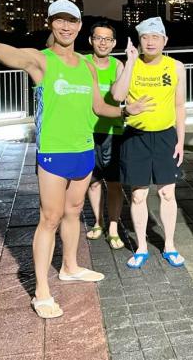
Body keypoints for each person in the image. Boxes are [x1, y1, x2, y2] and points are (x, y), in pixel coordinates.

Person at [0, 0, 151, 318]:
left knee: (74, 212)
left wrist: (127, 111)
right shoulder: (39, 60)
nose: (66, 26)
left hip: (84, 149)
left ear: (79, 26)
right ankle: (41, 290)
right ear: (51, 23)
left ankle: (69, 267)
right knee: (50, 218)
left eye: (72, 21)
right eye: (60, 20)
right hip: (54, 152)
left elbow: (99, 107)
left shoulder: (86, 64)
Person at [112, 17, 187, 269]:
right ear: (139, 41)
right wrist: (131, 62)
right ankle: (142, 247)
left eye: (156, 37)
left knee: (167, 193)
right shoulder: (128, 65)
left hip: (165, 136)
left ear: (165, 40)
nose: (150, 42)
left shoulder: (176, 67)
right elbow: (117, 96)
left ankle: (169, 245)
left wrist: (181, 141)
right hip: (136, 137)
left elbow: (179, 105)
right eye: (145, 37)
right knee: (138, 195)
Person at [84, 22, 125, 250]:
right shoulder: (82, 63)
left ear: (114, 43)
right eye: (98, 38)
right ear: (91, 40)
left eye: (108, 39)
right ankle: (98, 222)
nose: (103, 43)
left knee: (115, 183)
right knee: (93, 182)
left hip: (113, 131)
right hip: (87, 130)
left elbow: (121, 95)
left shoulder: (118, 65)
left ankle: (113, 227)